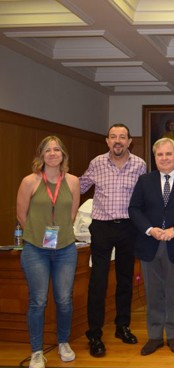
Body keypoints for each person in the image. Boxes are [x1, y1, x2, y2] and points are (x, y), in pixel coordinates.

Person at [128, 138, 174, 356]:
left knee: (172, 291)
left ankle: (172, 335)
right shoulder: (144, 181)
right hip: (149, 243)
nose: (164, 158)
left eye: (168, 154)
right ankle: (154, 336)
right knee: (153, 293)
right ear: (155, 157)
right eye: (159, 155)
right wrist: (149, 229)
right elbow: (134, 209)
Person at [80, 124, 146, 357]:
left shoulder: (140, 165)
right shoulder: (97, 163)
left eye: (122, 137)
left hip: (129, 228)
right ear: (107, 141)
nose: (118, 141)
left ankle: (122, 326)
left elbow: (144, 197)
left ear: (130, 141)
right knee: (97, 282)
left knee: (125, 280)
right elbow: (79, 186)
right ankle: (95, 333)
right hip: (102, 228)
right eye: (113, 137)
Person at [16, 136, 81, 368]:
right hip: (35, 250)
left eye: (57, 150)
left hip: (65, 249)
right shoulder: (29, 181)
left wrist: (58, 235)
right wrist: (37, 236)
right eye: (47, 150)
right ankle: (36, 351)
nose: (52, 153)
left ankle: (63, 342)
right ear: (41, 155)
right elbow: (21, 215)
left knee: (64, 300)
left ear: (63, 154)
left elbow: (72, 214)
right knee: (38, 301)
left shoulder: (73, 181)